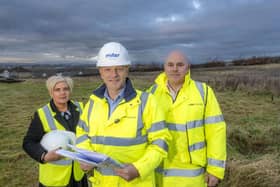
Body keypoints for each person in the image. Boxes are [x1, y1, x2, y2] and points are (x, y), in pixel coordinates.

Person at [75, 42, 171, 187]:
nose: (113, 74)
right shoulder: (93, 102)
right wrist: (86, 156)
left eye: (119, 69)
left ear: (127, 70)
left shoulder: (146, 102)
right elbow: (82, 133)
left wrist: (139, 168)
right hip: (101, 183)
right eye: (107, 69)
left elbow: (161, 141)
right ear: (100, 72)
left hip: (136, 183)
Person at [148, 51, 226, 187]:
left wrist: (215, 170)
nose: (175, 69)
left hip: (193, 175)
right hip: (160, 172)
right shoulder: (151, 94)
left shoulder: (203, 92)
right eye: (170, 65)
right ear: (164, 67)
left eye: (180, 64)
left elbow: (216, 132)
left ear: (188, 67)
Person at [22, 75, 88, 187]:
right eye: (57, 90)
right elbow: (29, 142)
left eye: (65, 89)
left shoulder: (81, 108)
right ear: (51, 93)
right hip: (55, 178)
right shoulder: (42, 114)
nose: (62, 93)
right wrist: (43, 156)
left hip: (78, 174)